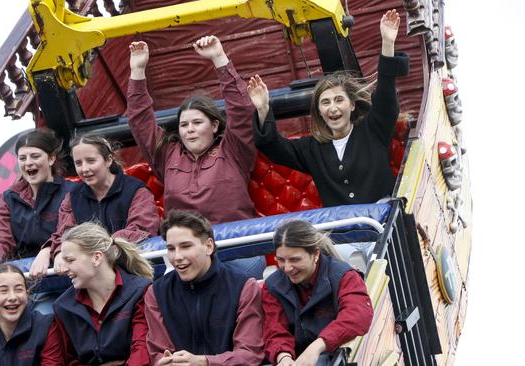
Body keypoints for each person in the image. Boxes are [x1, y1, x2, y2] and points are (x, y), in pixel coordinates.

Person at [248, 10, 409, 207]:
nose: (333, 107)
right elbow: (273, 147)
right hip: (343, 232)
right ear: (319, 111)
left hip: (383, 224)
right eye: (325, 103)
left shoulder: (372, 129)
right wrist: (263, 107)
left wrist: (387, 42)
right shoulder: (311, 148)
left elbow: (385, 95)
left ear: (351, 105)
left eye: (339, 100)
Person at [127, 35, 258, 224]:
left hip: (235, 245)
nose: (190, 130)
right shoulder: (167, 155)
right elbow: (140, 121)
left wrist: (219, 57)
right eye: (184, 125)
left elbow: (242, 110)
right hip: (184, 249)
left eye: (197, 123)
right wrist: (137, 70)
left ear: (214, 126)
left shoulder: (233, 149)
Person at [144, 210, 264, 365]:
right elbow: (158, 352)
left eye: (185, 246)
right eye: (171, 249)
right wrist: (164, 361)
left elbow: (250, 354)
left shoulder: (243, 287)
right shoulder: (156, 292)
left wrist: (205, 362)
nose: (177, 257)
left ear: (208, 246)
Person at [0, 129, 73, 290]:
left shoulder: (71, 191)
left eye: (35, 156)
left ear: (51, 158)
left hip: (59, 263)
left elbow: (68, 229)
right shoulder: (9, 198)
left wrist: (47, 251)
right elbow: (0, 239)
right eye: (22, 158)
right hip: (25, 270)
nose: (28, 163)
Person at [262, 220, 373, 366]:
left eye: (295, 259)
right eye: (281, 260)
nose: (287, 268)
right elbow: (274, 330)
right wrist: (283, 357)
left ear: (315, 254)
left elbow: (358, 315)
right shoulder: (272, 286)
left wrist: (316, 347)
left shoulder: (343, 276)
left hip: (336, 355)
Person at [51, 133, 160, 272]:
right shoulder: (72, 198)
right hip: (91, 274)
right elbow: (64, 234)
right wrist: (59, 252)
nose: (84, 169)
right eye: (78, 163)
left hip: (132, 269)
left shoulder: (136, 190)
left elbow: (142, 229)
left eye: (91, 161)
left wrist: (102, 246)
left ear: (108, 160)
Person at [47, 222, 153, 365]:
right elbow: (70, 360)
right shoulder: (63, 306)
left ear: (97, 257)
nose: (63, 269)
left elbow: (142, 349)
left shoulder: (140, 291)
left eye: (70, 260)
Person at [0, 263, 59, 365]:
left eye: (18, 289)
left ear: (27, 294)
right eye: (3, 291)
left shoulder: (47, 326)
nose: (12, 297)